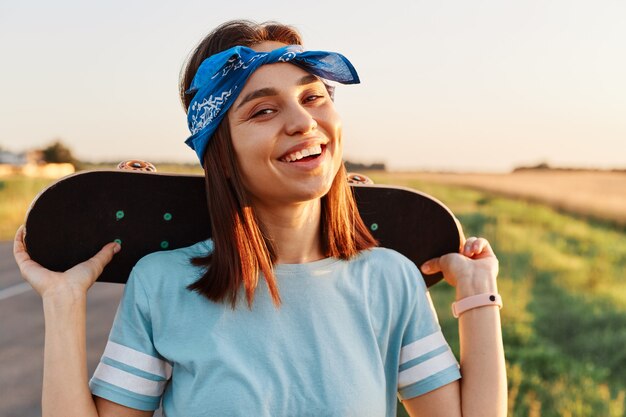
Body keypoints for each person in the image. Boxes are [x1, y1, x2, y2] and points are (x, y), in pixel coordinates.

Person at [14, 20, 506, 417]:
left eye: (313, 97)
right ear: (221, 152)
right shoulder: (161, 285)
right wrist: (62, 301)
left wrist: (478, 295)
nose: (302, 121)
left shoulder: (390, 279)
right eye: (264, 111)